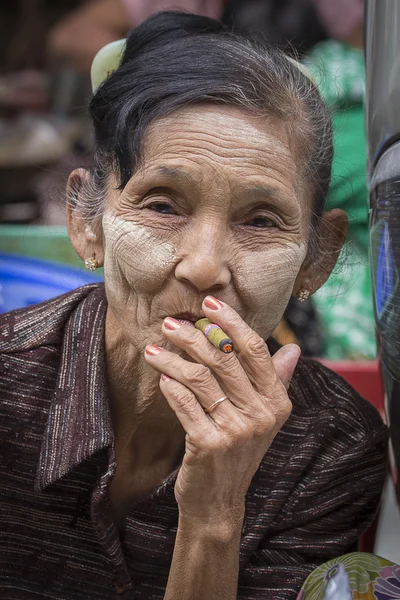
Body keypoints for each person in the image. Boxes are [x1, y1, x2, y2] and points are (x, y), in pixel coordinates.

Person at [0, 12, 388, 600]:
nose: (204, 266)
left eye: (261, 220)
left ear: (317, 257)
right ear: (87, 223)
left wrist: (213, 514)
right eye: (162, 205)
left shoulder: (327, 445)